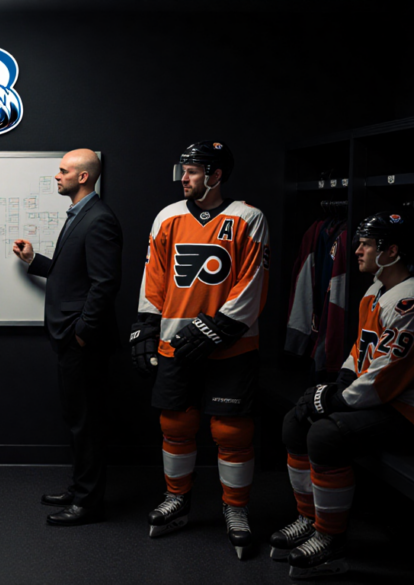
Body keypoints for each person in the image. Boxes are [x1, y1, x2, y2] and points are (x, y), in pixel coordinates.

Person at [272, 212, 414, 579]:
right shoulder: (376, 289)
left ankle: (331, 540)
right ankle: (309, 518)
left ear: (392, 251)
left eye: (366, 243)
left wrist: (334, 400)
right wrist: (334, 386)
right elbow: (360, 353)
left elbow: (387, 374)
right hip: (380, 399)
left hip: (412, 410)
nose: (356, 248)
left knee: (325, 433)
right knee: (296, 420)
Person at [130, 141, 269, 559]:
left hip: (232, 345)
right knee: (175, 424)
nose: (183, 178)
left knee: (230, 432)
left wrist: (218, 326)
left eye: (191, 171)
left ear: (215, 174)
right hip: (177, 341)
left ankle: (236, 509)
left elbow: (252, 281)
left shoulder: (248, 217)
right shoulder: (167, 217)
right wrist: (145, 326)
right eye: (184, 171)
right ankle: (178, 498)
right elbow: (154, 275)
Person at [12, 148, 123, 526]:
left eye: (63, 171)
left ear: (83, 178)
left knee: (87, 424)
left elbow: (105, 284)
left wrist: (82, 334)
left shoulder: (99, 219)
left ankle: (88, 504)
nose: (56, 176)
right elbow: (72, 273)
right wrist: (35, 261)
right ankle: (80, 489)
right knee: (77, 419)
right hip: (70, 339)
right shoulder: (81, 215)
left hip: (82, 342)